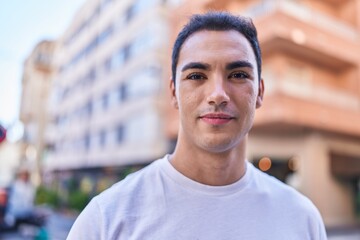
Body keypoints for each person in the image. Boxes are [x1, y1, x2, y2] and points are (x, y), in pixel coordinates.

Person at [67, 12, 327, 239]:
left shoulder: (301, 218)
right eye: (196, 76)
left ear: (259, 92)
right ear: (173, 92)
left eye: (237, 75)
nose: (217, 94)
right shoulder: (107, 218)